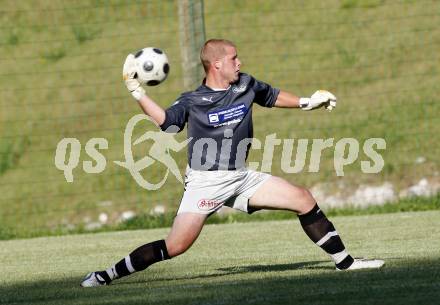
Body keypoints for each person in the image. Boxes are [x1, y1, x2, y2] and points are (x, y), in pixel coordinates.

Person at [80, 39, 384, 287]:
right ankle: (104, 276)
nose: (239, 63)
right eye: (234, 58)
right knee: (175, 246)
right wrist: (137, 92)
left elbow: (272, 96)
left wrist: (307, 102)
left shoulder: (245, 84)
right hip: (206, 182)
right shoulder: (192, 100)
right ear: (217, 65)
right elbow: (169, 125)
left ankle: (346, 263)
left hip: (240, 177)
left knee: (302, 198)